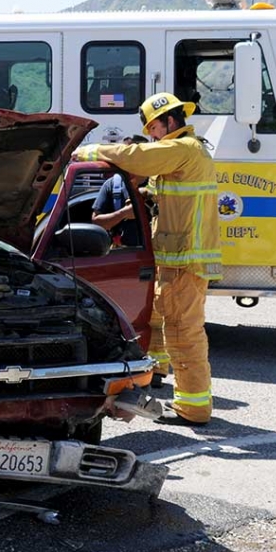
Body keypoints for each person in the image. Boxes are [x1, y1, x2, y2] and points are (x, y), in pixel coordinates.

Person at [72, 93, 222, 426]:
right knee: (171, 327)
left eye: (153, 128)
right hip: (181, 260)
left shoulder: (182, 149)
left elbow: (138, 156)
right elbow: (163, 194)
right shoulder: (186, 154)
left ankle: (193, 409)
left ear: (169, 122)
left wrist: (92, 151)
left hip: (185, 261)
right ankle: (177, 393)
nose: (152, 135)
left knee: (184, 334)